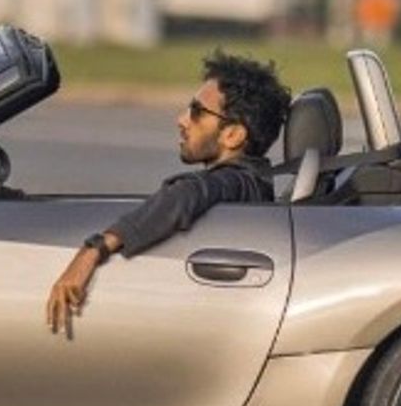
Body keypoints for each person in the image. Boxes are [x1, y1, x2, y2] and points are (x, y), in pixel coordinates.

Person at [44, 50, 291, 335]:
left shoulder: (236, 183)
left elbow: (188, 194)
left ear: (233, 135)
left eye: (197, 112)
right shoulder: (252, 181)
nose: (182, 119)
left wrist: (94, 249)